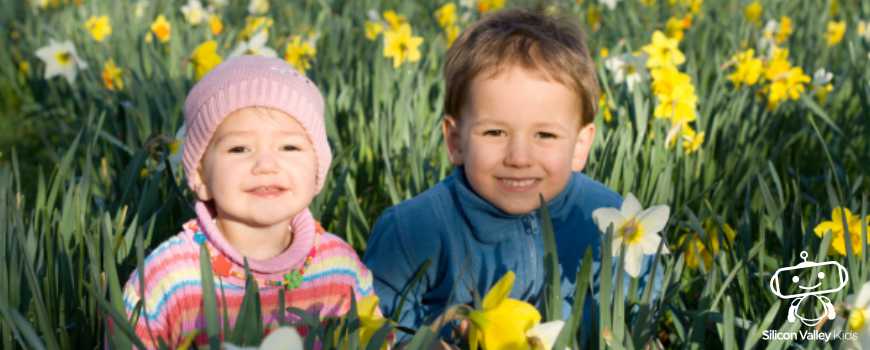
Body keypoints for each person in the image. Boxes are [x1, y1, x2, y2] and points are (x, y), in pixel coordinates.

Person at [363, 8, 659, 343]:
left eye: (545, 135)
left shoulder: (610, 219)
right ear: (454, 141)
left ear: (580, 145)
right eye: (494, 133)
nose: (519, 158)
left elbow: (646, 299)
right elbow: (379, 328)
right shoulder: (413, 231)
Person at [121, 55, 375, 347]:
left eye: (289, 147)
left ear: (318, 166)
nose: (266, 164)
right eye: (239, 148)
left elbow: (375, 340)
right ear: (201, 175)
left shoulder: (338, 268)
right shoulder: (167, 278)